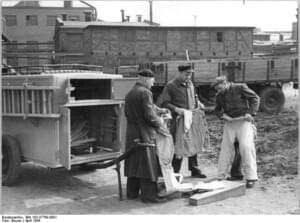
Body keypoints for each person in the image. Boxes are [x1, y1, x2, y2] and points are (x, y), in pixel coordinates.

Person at [124, 69, 168, 203]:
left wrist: (158, 110)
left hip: (132, 133)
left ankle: (131, 193)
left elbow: (133, 111)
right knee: (147, 165)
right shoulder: (145, 92)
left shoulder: (130, 92)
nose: (153, 84)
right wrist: (160, 123)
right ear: (145, 79)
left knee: (133, 163)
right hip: (144, 133)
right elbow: (149, 115)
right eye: (152, 81)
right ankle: (149, 196)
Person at [157, 64, 207, 178]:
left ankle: (194, 169)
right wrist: (176, 109)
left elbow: (195, 96)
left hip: (192, 118)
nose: (188, 76)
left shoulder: (190, 84)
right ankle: (175, 172)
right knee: (178, 145)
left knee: (193, 142)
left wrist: (198, 103)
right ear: (179, 73)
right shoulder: (171, 86)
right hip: (178, 120)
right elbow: (164, 102)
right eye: (186, 74)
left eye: (190, 74)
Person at [212, 75, 260, 188]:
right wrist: (222, 116)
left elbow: (255, 98)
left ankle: (251, 177)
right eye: (217, 90)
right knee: (226, 148)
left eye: (219, 88)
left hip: (243, 121)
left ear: (225, 83)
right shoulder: (219, 95)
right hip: (230, 122)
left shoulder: (240, 87)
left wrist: (250, 113)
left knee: (246, 146)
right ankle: (220, 176)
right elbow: (217, 109)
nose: (219, 91)